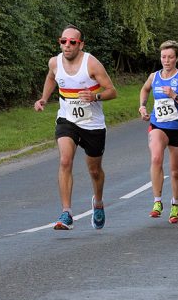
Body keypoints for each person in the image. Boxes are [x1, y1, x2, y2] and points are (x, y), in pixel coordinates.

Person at [34, 25, 117, 231]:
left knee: (94, 170)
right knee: (65, 160)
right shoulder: (54, 62)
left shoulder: (92, 64)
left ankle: (98, 202)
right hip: (67, 120)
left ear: (81, 45)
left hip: (92, 124)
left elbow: (112, 91)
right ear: (59, 42)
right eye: (64, 41)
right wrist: (44, 98)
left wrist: (95, 96)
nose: (67, 45)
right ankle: (66, 212)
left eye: (72, 42)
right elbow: (52, 77)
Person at [138, 40, 178, 224]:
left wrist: (174, 95)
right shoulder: (154, 76)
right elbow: (145, 89)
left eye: (170, 57)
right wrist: (142, 106)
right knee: (156, 158)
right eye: (163, 56)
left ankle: (175, 204)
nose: (166, 60)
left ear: (177, 58)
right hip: (158, 126)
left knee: (176, 171)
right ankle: (157, 202)